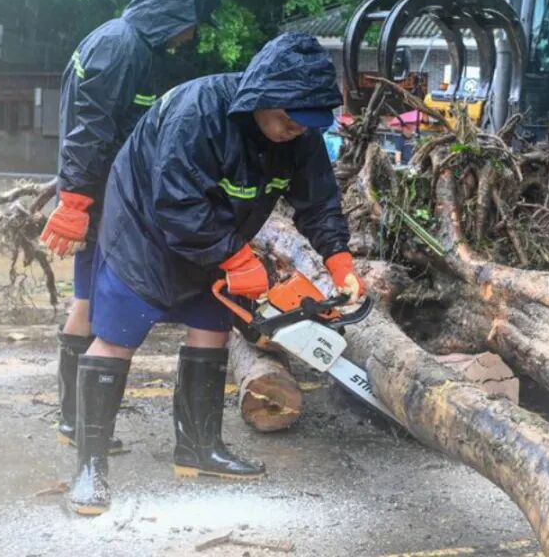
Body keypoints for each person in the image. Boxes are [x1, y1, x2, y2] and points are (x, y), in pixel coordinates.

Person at [66, 33, 364, 515]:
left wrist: (338, 259)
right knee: (117, 335)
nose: (294, 130)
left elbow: (319, 199)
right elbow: (176, 202)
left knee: (211, 325)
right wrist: (237, 258)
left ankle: (199, 447)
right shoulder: (198, 112)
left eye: (304, 124)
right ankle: (90, 466)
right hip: (143, 223)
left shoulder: (300, 136)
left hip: (218, 230)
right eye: (288, 119)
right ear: (263, 99)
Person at [39, 0, 222, 454]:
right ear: (176, 14)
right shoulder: (121, 46)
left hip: (98, 196)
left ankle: (74, 421)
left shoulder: (120, 40)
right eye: (190, 26)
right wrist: (76, 201)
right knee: (93, 305)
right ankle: (79, 422)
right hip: (101, 201)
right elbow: (91, 128)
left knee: (85, 301)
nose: (189, 37)